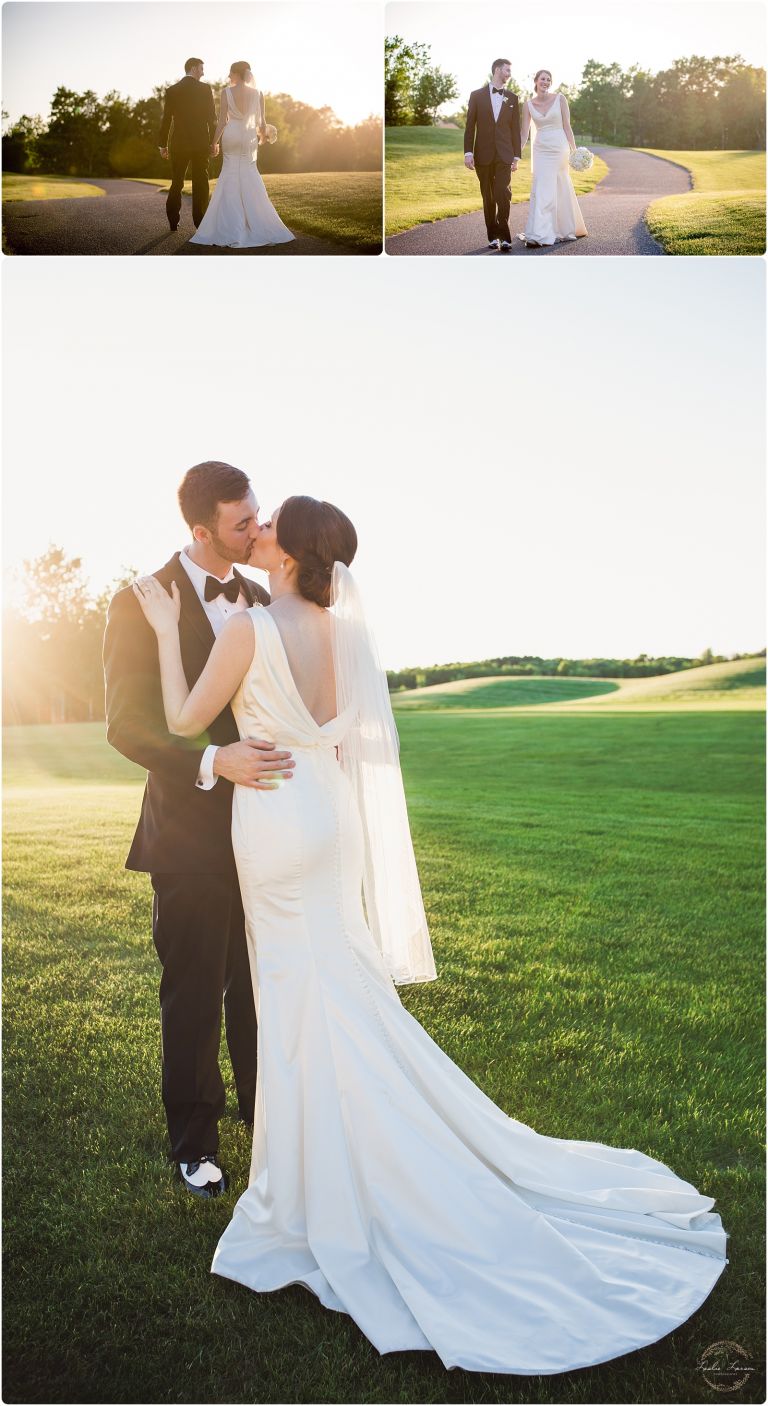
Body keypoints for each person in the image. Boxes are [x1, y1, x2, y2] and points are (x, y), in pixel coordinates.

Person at [132, 495, 728, 1376]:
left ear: (288, 556)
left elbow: (185, 721)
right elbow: (340, 739)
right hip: (326, 819)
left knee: (300, 994)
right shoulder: (345, 634)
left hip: (273, 817)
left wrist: (157, 631)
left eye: (265, 529)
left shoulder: (250, 628)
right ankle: (325, 1161)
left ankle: (314, 1188)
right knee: (336, 986)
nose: (253, 535)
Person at [103, 461, 295, 1199]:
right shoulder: (141, 601)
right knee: (192, 991)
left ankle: (268, 1123)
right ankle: (194, 1147)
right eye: (242, 523)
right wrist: (216, 758)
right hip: (186, 836)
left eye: (258, 515)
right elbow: (127, 725)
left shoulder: (258, 595)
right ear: (199, 530)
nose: (256, 531)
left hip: (265, 828)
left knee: (258, 985)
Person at [190, 61, 294, 249]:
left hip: (231, 135)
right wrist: (264, 135)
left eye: (230, 72)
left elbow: (222, 121)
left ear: (236, 74)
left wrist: (213, 142)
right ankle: (258, 223)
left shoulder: (226, 92)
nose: (229, 75)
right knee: (249, 174)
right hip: (248, 138)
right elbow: (261, 122)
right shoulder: (258, 93)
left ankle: (230, 225)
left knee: (229, 175)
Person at [519, 69, 588, 247]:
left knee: (560, 185)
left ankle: (563, 228)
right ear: (536, 81)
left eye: (549, 80)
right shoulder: (527, 105)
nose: (546, 82)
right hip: (540, 149)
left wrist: (574, 151)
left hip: (559, 147)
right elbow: (524, 133)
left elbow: (567, 126)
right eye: (543, 79)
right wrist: (516, 155)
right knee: (542, 186)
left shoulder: (560, 99)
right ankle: (539, 233)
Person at [464, 59, 522, 252]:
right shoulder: (476, 95)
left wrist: (517, 156)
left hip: (505, 155)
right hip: (483, 154)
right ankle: (492, 236)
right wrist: (468, 152)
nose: (509, 74)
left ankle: (505, 237)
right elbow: (470, 126)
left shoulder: (513, 98)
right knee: (488, 196)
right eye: (507, 70)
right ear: (497, 70)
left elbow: (515, 130)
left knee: (502, 192)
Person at [158, 57, 218, 232]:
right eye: (201, 68)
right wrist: (214, 142)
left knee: (177, 182)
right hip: (201, 144)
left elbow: (166, 119)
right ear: (192, 68)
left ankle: (172, 221)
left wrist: (163, 144)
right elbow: (212, 118)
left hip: (179, 143)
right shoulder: (205, 89)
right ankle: (201, 223)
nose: (203, 72)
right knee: (201, 182)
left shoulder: (172, 90)